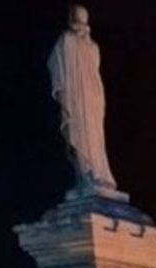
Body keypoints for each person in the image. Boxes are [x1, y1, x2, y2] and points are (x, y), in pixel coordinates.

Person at [48, 5, 118, 193]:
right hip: (75, 99)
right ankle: (84, 176)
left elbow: (95, 74)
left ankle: (97, 175)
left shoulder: (93, 47)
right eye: (77, 18)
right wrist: (64, 92)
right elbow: (54, 62)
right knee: (78, 134)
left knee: (94, 139)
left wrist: (98, 98)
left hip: (92, 100)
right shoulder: (66, 40)